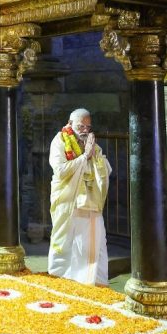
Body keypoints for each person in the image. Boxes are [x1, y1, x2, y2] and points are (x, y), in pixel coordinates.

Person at [48, 108, 111, 286]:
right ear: (70, 124)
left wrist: (94, 157)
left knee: (95, 242)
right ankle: (63, 279)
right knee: (68, 242)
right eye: (80, 126)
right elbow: (60, 171)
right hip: (70, 201)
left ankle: (93, 281)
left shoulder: (92, 144)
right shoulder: (59, 141)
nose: (84, 130)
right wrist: (85, 157)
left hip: (90, 202)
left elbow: (105, 168)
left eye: (87, 126)